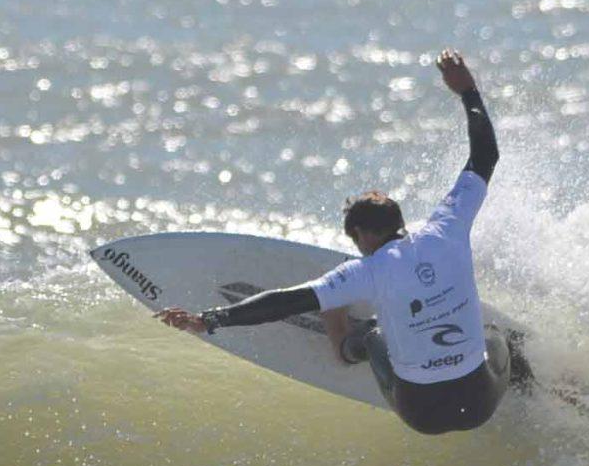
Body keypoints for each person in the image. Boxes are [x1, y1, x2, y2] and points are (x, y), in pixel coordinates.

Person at [155, 50, 515, 435]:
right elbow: (484, 155)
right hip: (480, 403)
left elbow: (286, 301)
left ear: (361, 235)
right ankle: (534, 378)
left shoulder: (367, 271)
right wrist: (467, 91)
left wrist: (209, 320)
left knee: (375, 335)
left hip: (422, 413)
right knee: (495, 336)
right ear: (398, 222)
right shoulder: (449, 227)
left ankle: (344, 343)